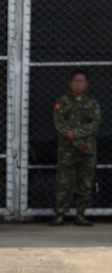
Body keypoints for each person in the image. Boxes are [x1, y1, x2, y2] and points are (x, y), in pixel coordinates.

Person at [51, 70, 99, 226]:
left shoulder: (92, 104)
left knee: (85, 183)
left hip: (87, 149)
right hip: (67, 150)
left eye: (81, 81)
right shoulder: (62, 102)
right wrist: (72, 137)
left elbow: (94, 124)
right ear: (70, 83)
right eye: (75, 81)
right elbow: (59, 123)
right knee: (64, 182)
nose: (78, 84)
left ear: (87, 84)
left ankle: (81, 214)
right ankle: (59, 214)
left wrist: (76, 133)